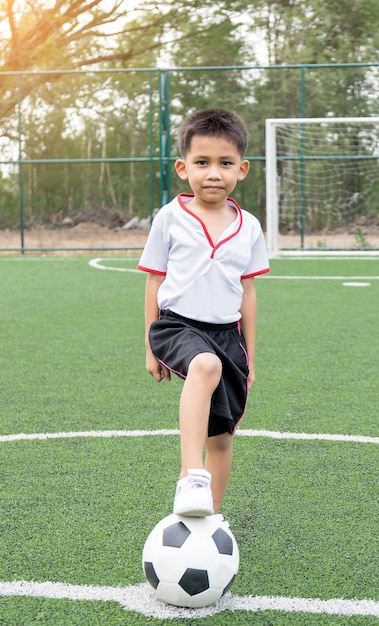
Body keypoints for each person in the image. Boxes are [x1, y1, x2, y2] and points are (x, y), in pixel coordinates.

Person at [138, 108, 270, 517]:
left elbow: (247, 292)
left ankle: (208, 519)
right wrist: (149, 346)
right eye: (202, 163)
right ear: (183, 168)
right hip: (176, 326)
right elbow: (154, 282)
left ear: (242, 169)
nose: (214, 173)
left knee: (223, 438)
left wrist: (249, 354)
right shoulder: (169, 219)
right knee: (206, 365)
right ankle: (190, 476)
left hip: (228, 335)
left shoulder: (249, 226)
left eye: (225, 163)